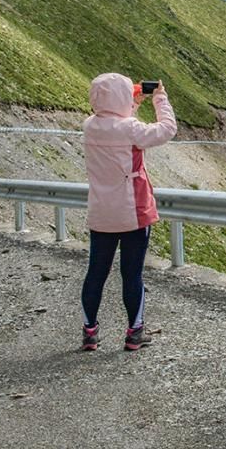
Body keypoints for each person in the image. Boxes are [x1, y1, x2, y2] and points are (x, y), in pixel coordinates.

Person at [79, 74, 177, 352]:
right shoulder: (131, 130)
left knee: (96, 273)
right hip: (132, 211)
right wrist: (159, 97)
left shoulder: (89, 127)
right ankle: (134, 332)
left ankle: (89, 332)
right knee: (131, 274)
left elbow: (113, 118)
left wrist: (132, 102)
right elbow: (167, 129)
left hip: (101, 212)